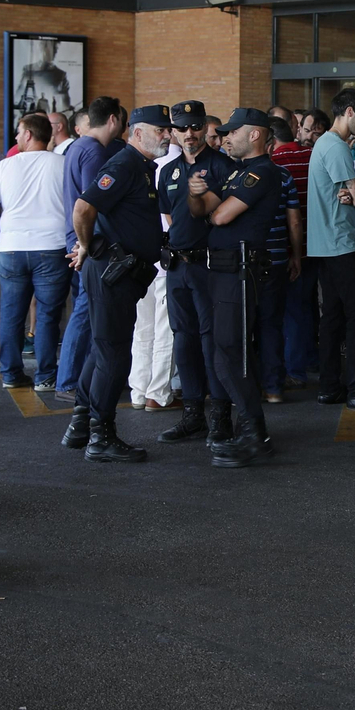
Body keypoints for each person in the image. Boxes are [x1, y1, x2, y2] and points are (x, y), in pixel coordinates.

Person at [64, 105, 173, 464]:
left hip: (124, 272)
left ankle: (82, 425)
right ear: (137, 132)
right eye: (160, 130)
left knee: (103, 348)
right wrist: (84, 244)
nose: (167, 136)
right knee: (113, 353)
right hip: (114, 271)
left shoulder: (140, 167)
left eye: (166, 130)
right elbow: (84, 207)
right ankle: (101, 435)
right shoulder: (124, 164)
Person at [186, 108, 291, 467]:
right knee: (223, 352)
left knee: (233, 353)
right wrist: (195, 192)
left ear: (257, 135)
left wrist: (207, 204)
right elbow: (201, 209)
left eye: (234, 132)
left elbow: (220, 215)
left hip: (241, 272)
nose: (226, 138)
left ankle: (254, 434)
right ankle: (248, 427)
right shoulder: (238, 172)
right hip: (222, 271)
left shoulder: (262, 172)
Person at [155, 101, 234, 445]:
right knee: (183, 340)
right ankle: (192, 415)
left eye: (196, 126)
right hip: (178, 266)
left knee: (212, 342)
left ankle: (220, 417)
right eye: (183, 127)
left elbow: (213, 213)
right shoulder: (168, 171)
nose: (190, 134)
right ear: (174, 131)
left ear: (205, 128)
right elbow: (170, 218)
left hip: (210, 266)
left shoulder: (223, 166)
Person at [307, 87, 355, 412]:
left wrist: (352, 196)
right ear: (350, 112)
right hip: (341, 242)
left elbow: (351, 196)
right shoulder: (337, 148)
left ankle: (329, 386)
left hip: (325, 244)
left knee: (334, 316)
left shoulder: (323, 144)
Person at [0, 113, 68, 390]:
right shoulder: (63, 165)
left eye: (19, 132)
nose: (16, 138)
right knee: (47, 315)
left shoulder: (4, 167)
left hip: (11, 249)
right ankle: (45, 376)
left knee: (11, 314)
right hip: (52, 248)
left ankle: (10, 374)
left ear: (29, 134)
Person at [56, 97, 125, 400]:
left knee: (85, 309)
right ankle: (70, 381)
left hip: (81, 239)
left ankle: (73, 378)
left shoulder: (78, 146)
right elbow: (92, 202)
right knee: (86, 311)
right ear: (113, 120)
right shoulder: (94, 151)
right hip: (90, 243)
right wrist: (85, 244)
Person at [128, 137, 179, 413]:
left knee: (142, 328)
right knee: (165, 330)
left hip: (141, 259)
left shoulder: (136, 165)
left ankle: (138, 390)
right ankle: (158, 393)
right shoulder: (177, 165)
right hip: (169, 259)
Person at [270, 113, 315, 388]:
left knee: (284, 313)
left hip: (284, 247)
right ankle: (307, 361)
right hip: (314, 244)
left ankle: (290, 369)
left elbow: (290, 215)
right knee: (306, 308)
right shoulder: (311, 156)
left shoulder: (275, 164)